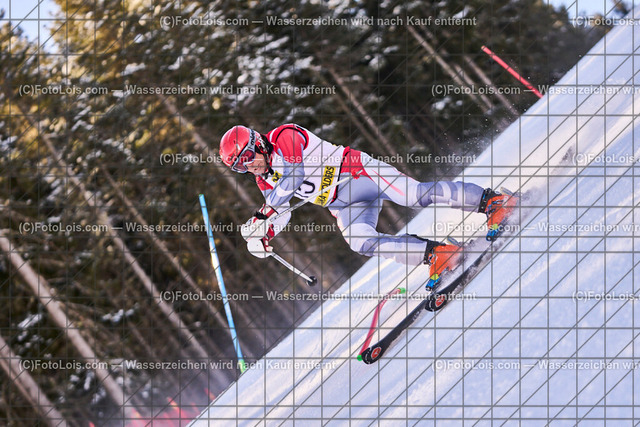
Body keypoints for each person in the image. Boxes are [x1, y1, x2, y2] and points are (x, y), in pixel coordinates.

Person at [219, 124, 518, 287]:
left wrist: (264, 214)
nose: (249, 167)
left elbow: (294, 175)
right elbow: (279, 210)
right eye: (240, 167)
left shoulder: (284, 135)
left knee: (414, 196)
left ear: (258, 143)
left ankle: (492, 201)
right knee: (359, 241)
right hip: (343, 204)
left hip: (360, 173)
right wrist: (264, 233)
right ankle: (437, 253)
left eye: (248, 158)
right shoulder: (264, 179)